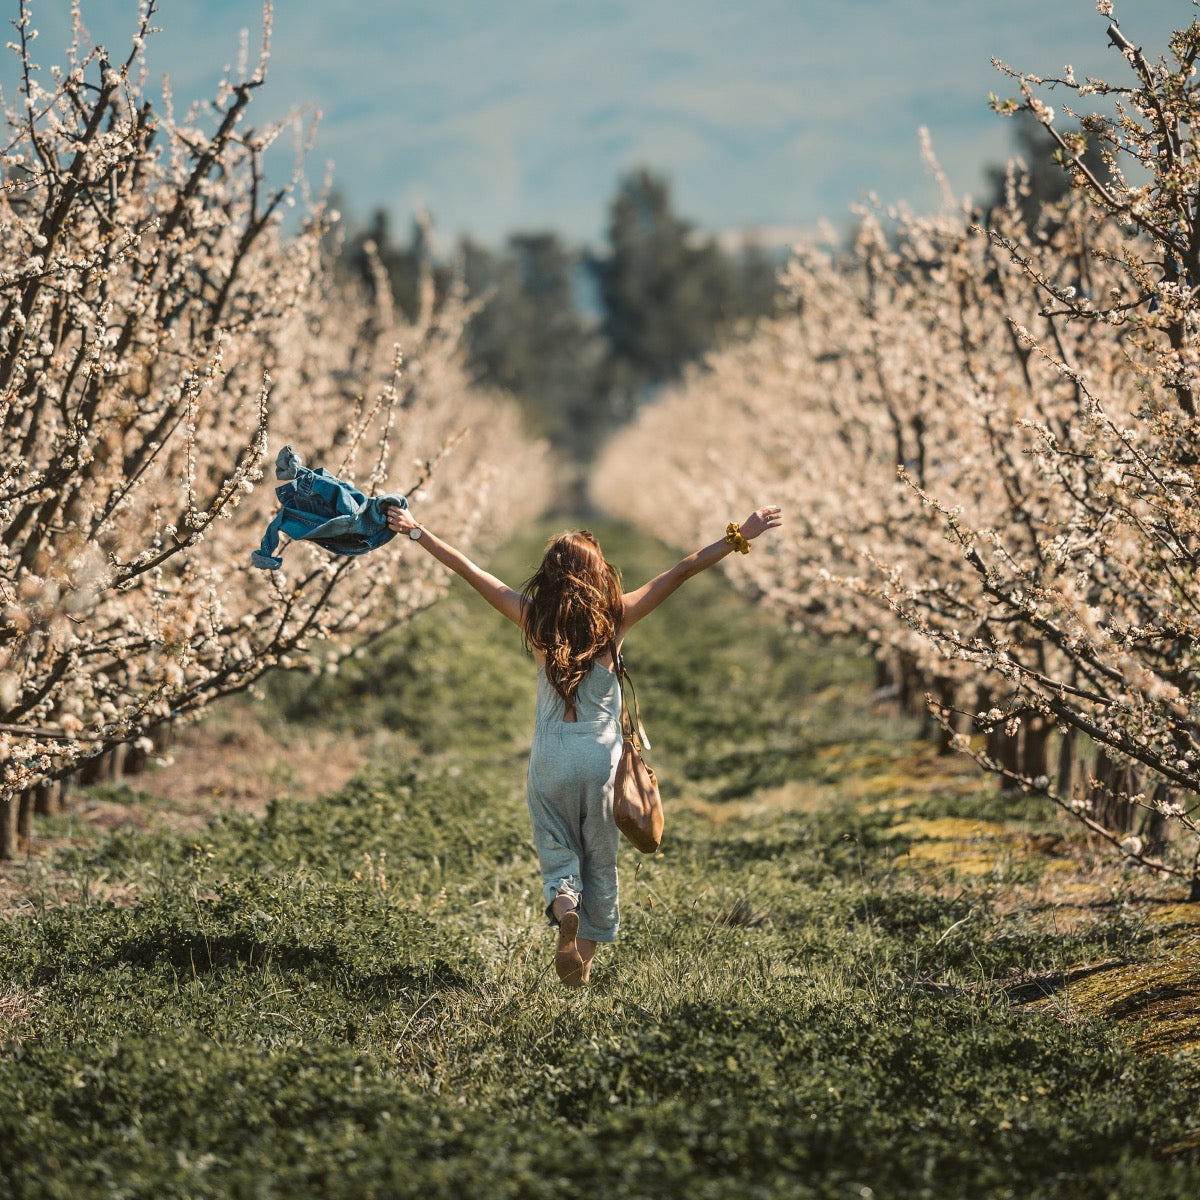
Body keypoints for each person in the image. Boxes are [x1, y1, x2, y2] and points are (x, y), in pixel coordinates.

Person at [384, 502, 783, 986]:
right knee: (601, 859)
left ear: (550, 577)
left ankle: (563, 902)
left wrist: (416, 531)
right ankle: (581, 969)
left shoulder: (532, 620)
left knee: (556, 848)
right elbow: (682, 570)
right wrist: (742, 534)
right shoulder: (617, 619)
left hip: (550, 755)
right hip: (601, 758)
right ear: (597, 576)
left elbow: (472, 571)